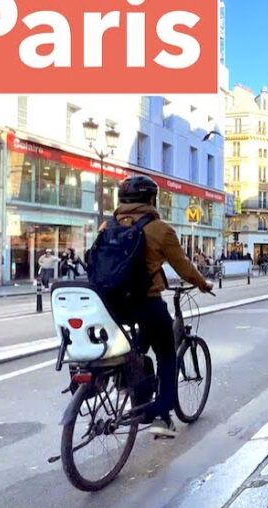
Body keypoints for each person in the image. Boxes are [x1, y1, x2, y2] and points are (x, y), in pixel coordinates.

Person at [100, 175, 213, 438]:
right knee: (166, 353)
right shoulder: (159, 229)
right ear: (152, 199)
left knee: (134, 349)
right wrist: (203, 284)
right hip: (145, 303)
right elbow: (184, 267)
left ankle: (129, 382)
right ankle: (162, 416)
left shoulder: (107, 226)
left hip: (112, 306)